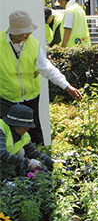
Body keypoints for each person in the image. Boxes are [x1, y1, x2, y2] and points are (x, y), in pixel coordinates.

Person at [0, 10, 83, 145]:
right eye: (24, 31)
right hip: (6, 98)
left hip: (30, 98)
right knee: (6, 137)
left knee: (35, 135)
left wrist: (67, 86)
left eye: (29, 30)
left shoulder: (33, 44)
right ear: (14, 30)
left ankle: (41, 163)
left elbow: (48, 69)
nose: (28, 33)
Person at [0, 104, 56, 179]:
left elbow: (34, 152)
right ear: (16, 124)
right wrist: (28, 162)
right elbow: (1, 153)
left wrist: (52, 162)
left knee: (21, 151)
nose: (28, 129)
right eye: (25, 125)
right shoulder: (1, 128)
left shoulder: (23, 135)